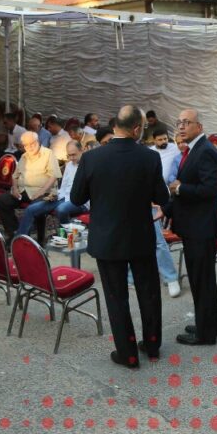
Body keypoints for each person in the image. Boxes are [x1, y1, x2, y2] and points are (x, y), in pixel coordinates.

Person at [69, 106, 170, 367]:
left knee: (116, 297)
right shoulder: (149, 157)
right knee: (149, 293)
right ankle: (152, 344)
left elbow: (76, 198)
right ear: (137, 129)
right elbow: (162, 196)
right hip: (140, 236)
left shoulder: (92, 158)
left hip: (108, 237)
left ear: (115, 126)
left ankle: (128, 353)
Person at [167, 109, 217, 346]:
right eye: (179, 122)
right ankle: (212, 324)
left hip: (200, 227)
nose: (181, 126)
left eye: (186, 122)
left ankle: (205, 333)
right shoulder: (192, 149)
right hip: (194, 226)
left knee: (201, 280)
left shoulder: (205, 150)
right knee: (203, 280)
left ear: (199, 127)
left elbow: (210, 189)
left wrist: (180, 188)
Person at [15, 140, 88, 244]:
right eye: (69, 155)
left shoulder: (89, 165)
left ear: (82, 150)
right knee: (31, 209)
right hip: (64, 197)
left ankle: (67, 239)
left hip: (80, 200)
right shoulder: (69, 165)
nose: (71, 158)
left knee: (61, 209)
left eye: (74, 155)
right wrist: (55, 195)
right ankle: (20, 241)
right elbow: (64, 187)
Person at [0, 131, 60, 242]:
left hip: (43, 191)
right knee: (2, 200)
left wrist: (42, 191)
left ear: (38, 141)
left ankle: (25, 239)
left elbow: (54, 176)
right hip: (23, 190)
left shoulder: (48, 154)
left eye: (32, 143)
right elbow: (15, 176)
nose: (29, 147)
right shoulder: (24, 156)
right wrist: (15, 188)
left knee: (33, 208)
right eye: (26, 145)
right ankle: (13, 233)